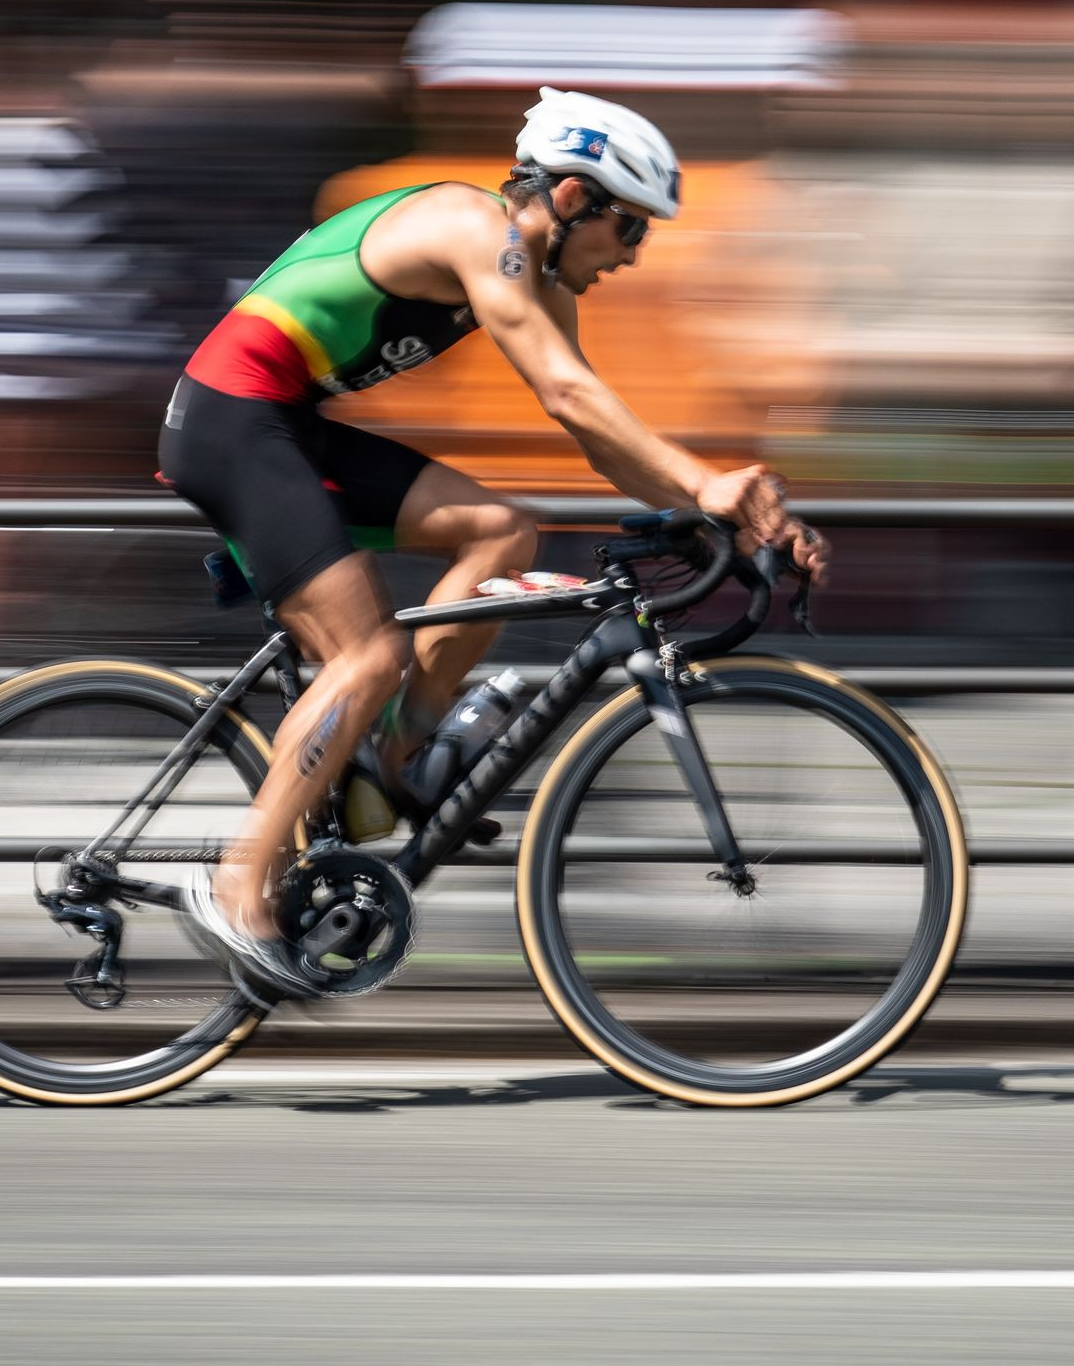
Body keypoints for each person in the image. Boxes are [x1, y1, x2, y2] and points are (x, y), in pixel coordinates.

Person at [157, 87, 828, 995]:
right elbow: (565, 392)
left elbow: (597, 436)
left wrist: (724, 512)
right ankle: (238, 887)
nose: (633, 254)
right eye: (630, 228)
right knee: (366, 655)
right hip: (232, 422)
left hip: (282, 423)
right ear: (572, 197)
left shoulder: (534, 275)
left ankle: (390, 759)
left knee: (502, 530)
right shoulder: (477, 230)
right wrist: (707, 481)